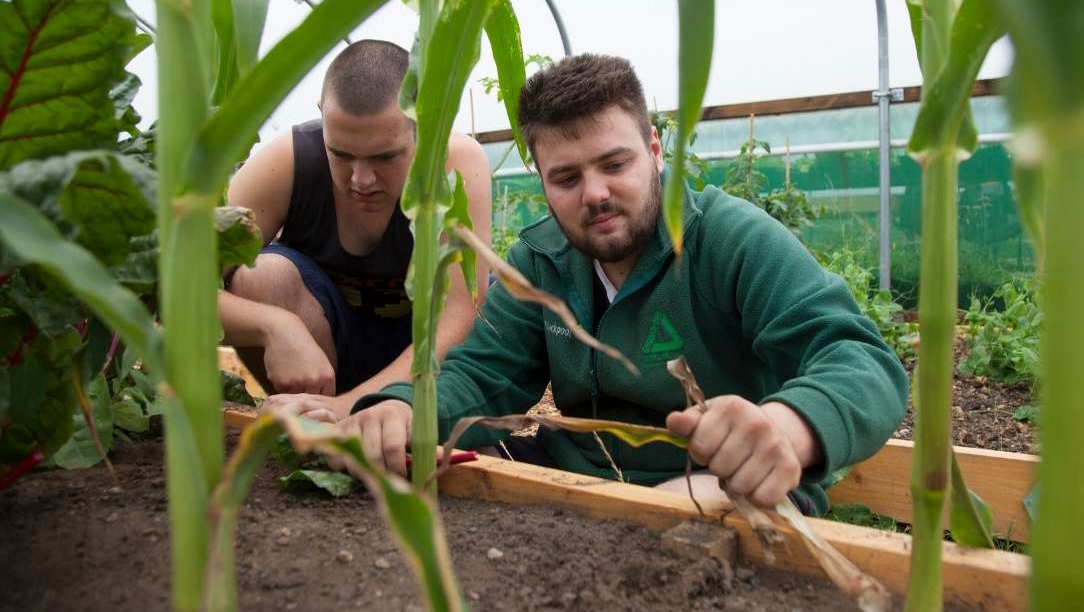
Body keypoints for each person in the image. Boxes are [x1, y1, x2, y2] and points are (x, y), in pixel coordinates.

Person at [338, 53, 907, 514]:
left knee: (697, 515)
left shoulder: (728, 239)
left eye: (615, 164)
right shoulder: (541, 260)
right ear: (542, 181)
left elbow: (859, 358)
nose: (594, 194)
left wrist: (788, 426)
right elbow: (485, 372)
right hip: (577, 473)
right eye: (566, 177)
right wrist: (402, 407)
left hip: (717, 481)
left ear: (655, 151)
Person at [221, 40, 491, 422]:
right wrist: (273, 326)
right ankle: (311, 427)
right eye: (341, 154)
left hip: (429, 370)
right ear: (323, 116)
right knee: (261, 276)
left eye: (385, 156)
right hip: (325, 360)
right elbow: (181, 289)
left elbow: (461, 314)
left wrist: (352, 404)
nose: (361, 179)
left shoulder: (455, 164)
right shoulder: (289, 160)